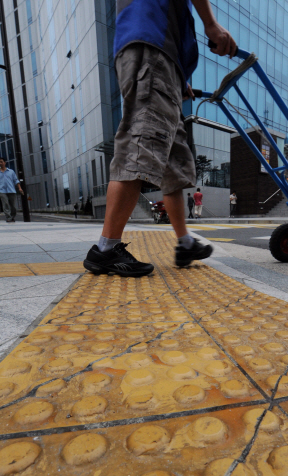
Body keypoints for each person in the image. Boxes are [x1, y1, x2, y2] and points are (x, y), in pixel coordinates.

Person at [83, 0, 236, 276]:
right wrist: (211, 25)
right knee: (141, 141)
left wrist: (180, 79)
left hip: (165, 62)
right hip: (153, 48)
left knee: (172, 162)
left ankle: (185, 242)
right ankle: (106, 249)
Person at [0, 157, 24, 223]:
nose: (0, 163)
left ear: (5, 163)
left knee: (13, 206)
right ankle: (8, 217)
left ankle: (12, 217)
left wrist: (20, 188)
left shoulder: (11, 171)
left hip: (11, 190)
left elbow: (16, 180)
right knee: (5, 204)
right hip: (2, 191)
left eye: (1, 161)